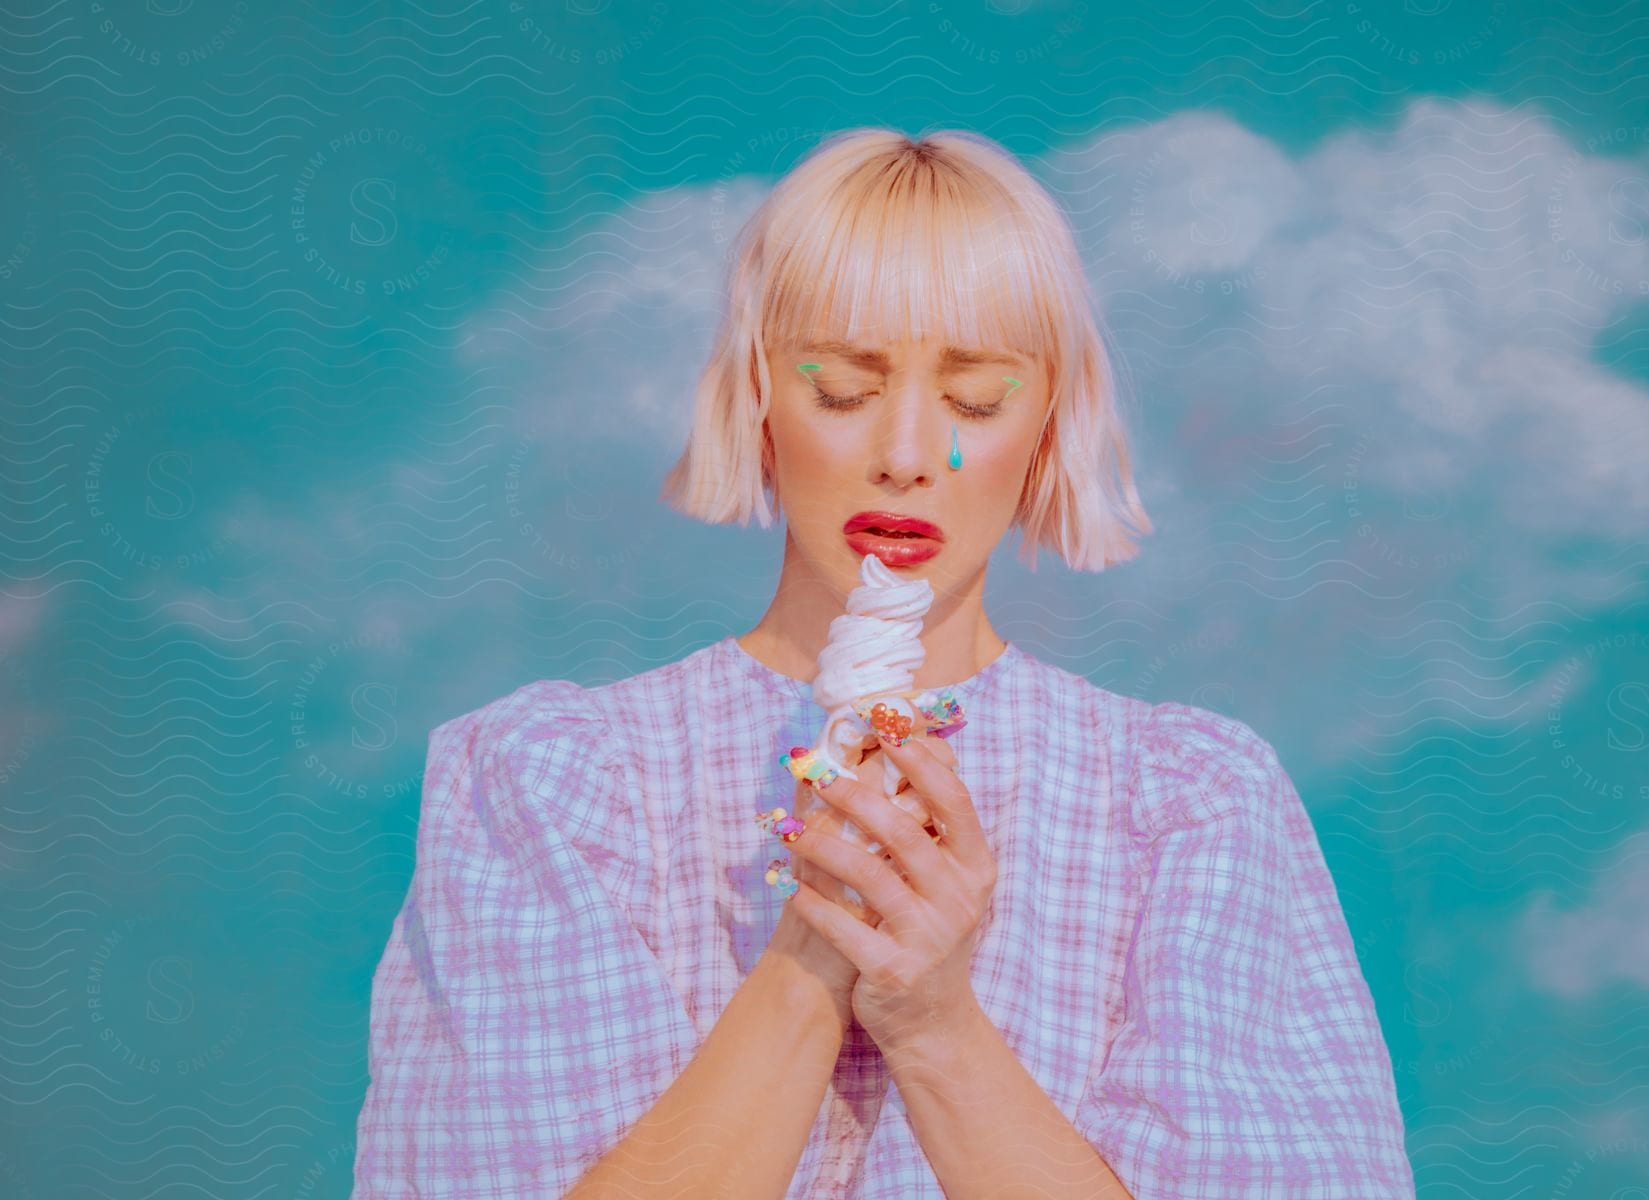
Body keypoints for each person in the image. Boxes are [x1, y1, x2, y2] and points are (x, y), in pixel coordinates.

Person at [351, 127, 1415, 1199]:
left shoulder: (1190, 803)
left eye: (976, 400)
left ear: (1048, 423)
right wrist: (813, 957)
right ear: (758, 400)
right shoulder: (551, 781)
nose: (908, 454)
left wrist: (937, 1024)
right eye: (845, 387)